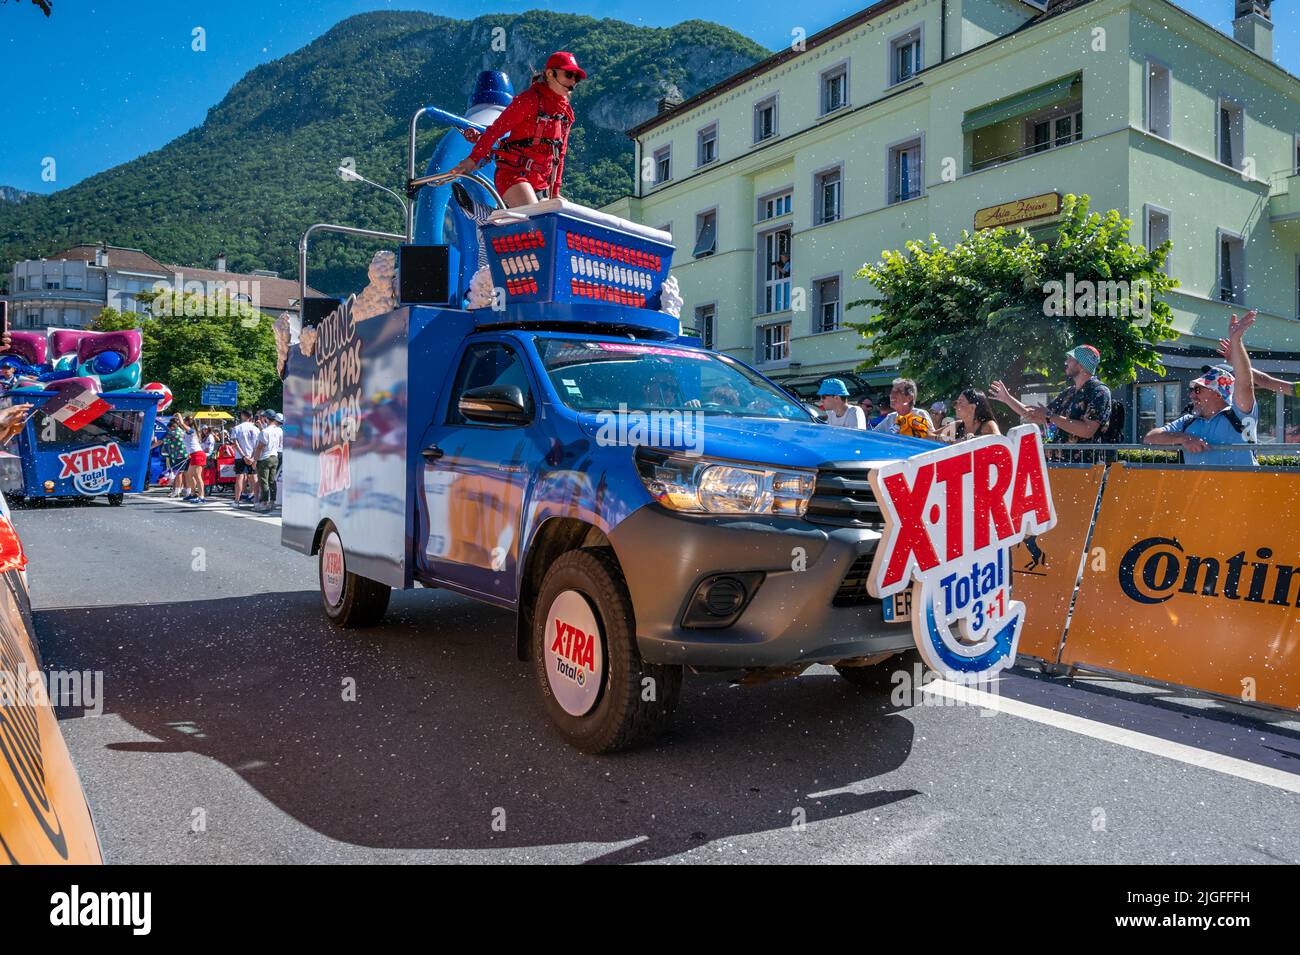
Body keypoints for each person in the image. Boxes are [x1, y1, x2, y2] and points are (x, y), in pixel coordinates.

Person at [451, 52, 584, 208]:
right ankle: (483, 214)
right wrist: (473, 159)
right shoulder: (528, 100)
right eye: (569, 75)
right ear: (550, 73)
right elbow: (495, 131)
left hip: (541, 184)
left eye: (577, 78)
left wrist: (555, 192)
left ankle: (486, 215)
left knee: (558, 214)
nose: (573, 82)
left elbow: (559, 155)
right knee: (535, 217)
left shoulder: (566, 114)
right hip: (513, 175)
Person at [1146, 310, 1259, 467]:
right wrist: (1184, 438)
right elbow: (1150, 437)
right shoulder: (1189, 421)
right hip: (1201, 491)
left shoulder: (1239, 413)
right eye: (1192, 389)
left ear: (1218, 394)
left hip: (1241, 490)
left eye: (1198, 390)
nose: (1192, 395)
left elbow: (1245, 383)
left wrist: (1236, 341)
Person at [991, 344, 1112, 446]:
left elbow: (1087, 430)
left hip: (1085, 465)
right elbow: (1034, 415)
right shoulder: (1069, 393)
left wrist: (1050, 415)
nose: (1066, 362)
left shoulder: (1100, 392)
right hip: (1061, 464)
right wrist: (1007, 399)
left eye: (1070, 359)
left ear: (1080, 365)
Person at [252, 410, 282, 513]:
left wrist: (254, 461)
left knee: (264, 481)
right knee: (272, 480)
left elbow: (260, 448)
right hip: (275, 456)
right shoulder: (279, 430)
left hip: (264, 458)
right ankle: (272, 501)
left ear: (266, 418)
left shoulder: (265, 432)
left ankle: (263, 503)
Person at [231, 408, 260, 507]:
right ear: (251, 417)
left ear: (243, 416)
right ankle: (256, 501)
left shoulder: (237, 428)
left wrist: (244, 456)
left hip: (240, 457)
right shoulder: (256, 429)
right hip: (252, 456)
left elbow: (235, 443)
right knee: (254, 478)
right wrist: (252, 457)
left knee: (239, 478)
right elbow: (258, 445)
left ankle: (236, 501)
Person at [176, 415, 208, 503]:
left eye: (185, 421)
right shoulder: (187, 432)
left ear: (187, 422)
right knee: (190, 475)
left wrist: (179, 416)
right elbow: (180, 425)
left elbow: (181, 424)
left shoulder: (191, 431)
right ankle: (193, 494)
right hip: (193, 454)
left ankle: (201, 496)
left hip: (198, 454)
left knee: (197, 476)